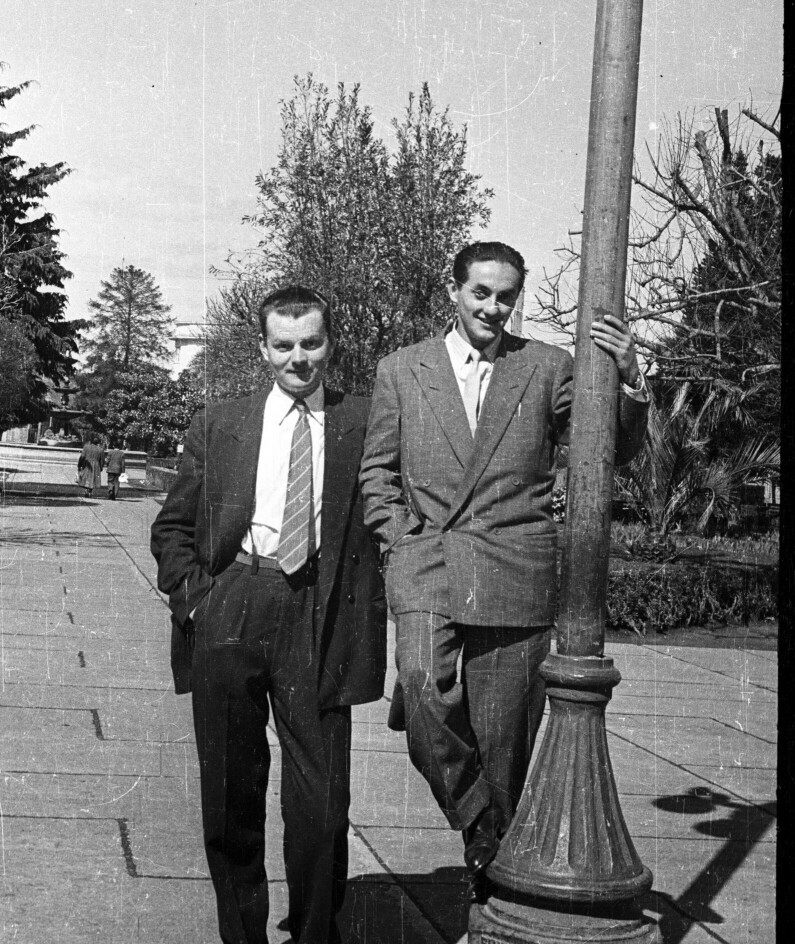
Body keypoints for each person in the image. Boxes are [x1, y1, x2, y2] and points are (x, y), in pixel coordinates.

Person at [359, 241, 649, 888]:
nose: (493, 308)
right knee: (421, 686)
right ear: (454, 291)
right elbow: (375, 473)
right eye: (481, 293)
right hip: (427, 560)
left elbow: (607, 451)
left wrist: (630, 377)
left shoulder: (545, 367)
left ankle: (492, 885)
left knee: (502, 747)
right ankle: (477, 824)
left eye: (506, 296)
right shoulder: (401, 370)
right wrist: (398, 539)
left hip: (514, 568)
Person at [151, 286, 386, 944]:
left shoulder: (361, 422)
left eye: (311, 342)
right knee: (230, 798)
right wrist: (197, 598)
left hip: (318, 612)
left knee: (323, 804)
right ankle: (243, 935)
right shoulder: (220, 423)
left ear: (328, 343)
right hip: (234, 600)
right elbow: (172, 527)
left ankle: (315, 935)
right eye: (284, 345)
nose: (298, 357)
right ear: (263, 349)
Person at [77, 433, 106, 498]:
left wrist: (80, 465)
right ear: (98, 443)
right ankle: (90, 491)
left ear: (91, 441)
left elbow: (82, 456)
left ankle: (86, 490)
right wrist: (101, 467)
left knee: (86, 477)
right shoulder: (100, 450)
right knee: (93, 479)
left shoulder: (86, 447)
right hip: (96, 465)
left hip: (87, 464)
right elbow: (102, 460)